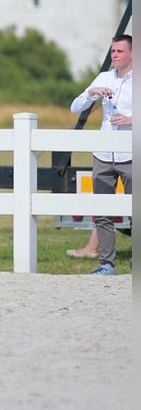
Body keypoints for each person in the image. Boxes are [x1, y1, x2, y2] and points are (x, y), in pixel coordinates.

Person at [69, 34, 132, 276]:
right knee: (102, 212)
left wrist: (130, 120)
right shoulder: (104, 77)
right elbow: (75, 107)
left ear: (132, 54)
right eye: (113, 51)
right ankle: (107, 264)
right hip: (103, 155)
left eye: (119, 51)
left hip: (130, 155)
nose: (114, 55)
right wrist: (92, 93)